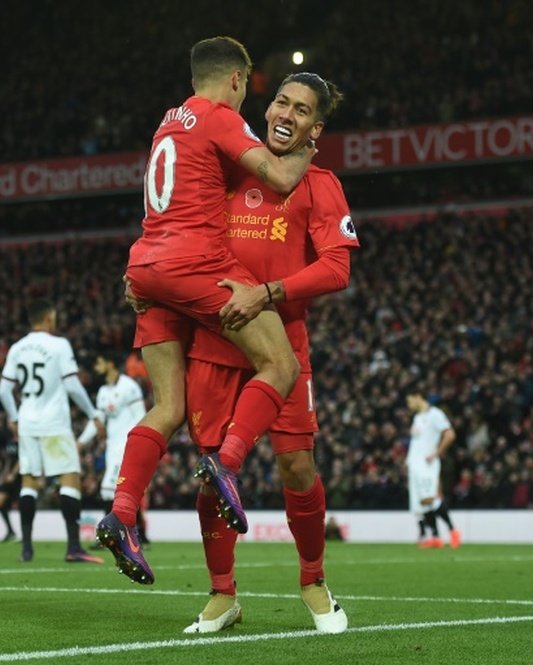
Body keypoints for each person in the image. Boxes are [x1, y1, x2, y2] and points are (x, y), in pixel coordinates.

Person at [97, 36, 316, 584]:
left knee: (167, 408)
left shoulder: (166, 123)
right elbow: (283, 176)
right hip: (193, 263)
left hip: (144, 267)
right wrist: (311, 142)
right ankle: (227, 462)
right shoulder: (219, 116)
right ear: (238, 80)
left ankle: (122, 514)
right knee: (283, 365)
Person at [178, 73, 358, 634]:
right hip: (214, 343)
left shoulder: (320, 184)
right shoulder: (228, 169)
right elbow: (177, 228)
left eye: (302, 110)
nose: (287, 113)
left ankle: (313, 581)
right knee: (212, 475)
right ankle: (222, 596)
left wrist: (269, 293)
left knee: (296, 466)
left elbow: (337, 267)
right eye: (281, 100)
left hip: (282, 347)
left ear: (315, 128)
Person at [0, 299, 104, 564]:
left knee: (29, 483)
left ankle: (27, 548)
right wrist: (93, 414)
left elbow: (3, 390)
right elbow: (72, 387)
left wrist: (13, 417)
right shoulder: (59, 345)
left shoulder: (17, 348)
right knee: (70, 478)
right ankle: (73, 546)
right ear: (47, 319)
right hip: (54, 423)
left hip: (27, 423)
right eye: (54, 317)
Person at [78, 351, 148, 540]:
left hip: (127, 447)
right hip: (112, 448)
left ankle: (107, 535)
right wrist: (82, 441)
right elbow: (98, 421)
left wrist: (140, 446)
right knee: (122, 492)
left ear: (110, 364)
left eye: (99, 363)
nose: (96, 368)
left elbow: (141, 417)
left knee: (108, 489)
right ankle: (138, 533)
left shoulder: (129, 387)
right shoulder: (103, 392)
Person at [405, 393, 461, 549]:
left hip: (427, 464)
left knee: (431, 499)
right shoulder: (417, 417)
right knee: (421, 504)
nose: (408, 406)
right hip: (415, 465)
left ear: (418, 397)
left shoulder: (435, 414)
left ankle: (453, 531)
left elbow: (450, 434)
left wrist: (437, 453)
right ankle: (435, 537)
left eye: (409, 401)